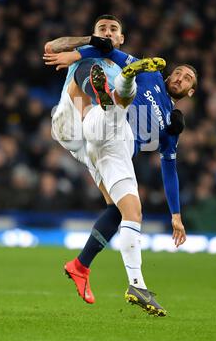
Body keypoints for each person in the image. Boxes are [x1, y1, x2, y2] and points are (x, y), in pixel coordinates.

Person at [44, 44, 196, 316]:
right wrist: (78, 53)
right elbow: (109, 51)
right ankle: (123, 79)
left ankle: (82, 267)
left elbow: (169, 168)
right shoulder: (151, 74)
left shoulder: (171, 128)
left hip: (110, 153)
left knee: (122, 211)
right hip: (108, 128)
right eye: (178, 73)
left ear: (190, 92)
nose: (179, 78)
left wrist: (176, 215)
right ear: (170, 74)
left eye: (187, 79)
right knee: (114, 99)